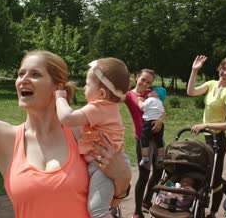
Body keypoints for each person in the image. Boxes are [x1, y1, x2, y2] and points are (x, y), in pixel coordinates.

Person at [0, 50, 131, 218]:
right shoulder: (2, 139)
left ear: (57, 88)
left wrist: (122, 179)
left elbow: (112, 194)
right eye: (21, 74)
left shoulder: (83, 133)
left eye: (35, 74)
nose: (23, 80)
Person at [55, 57, 130, 218]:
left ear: (101, 93)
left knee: (98, 211)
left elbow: (67, 118)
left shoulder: (99, 107)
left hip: (104, 167)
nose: (83, 88)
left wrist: (59, 98)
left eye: (87, 85)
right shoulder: (107, 108)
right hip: (106, 163)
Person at [187, 55, 226, 218]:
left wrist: (206, 125)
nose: (225, 73)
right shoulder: (211, 84)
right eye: (224, 69)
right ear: (219, 68)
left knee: (215, 179)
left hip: (218, 140)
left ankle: (214, 212)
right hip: (207, 138)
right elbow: (190, 92)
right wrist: (194, 71)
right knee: (209, 174)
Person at [124, 69, 165, 218]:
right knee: (144, 175)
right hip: (143, 141)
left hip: (157, 137)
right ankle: (137, 211)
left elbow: (162, 110)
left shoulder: (151, 93)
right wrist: (123, 83)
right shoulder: (129, 95)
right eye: (143, 80)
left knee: (159, 170)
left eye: (148, 82)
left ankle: (147, 201)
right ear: (136, 78)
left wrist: (160, 121)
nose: (145, 84)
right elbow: (116, 96)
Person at [137, 86, 167, 170]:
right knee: (159, 140)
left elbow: (142, 108)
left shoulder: (150, 100)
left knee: (144, 139)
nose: (149, 92)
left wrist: (139, 101)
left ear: (156, 94)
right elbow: (163, 113)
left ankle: (145, 157)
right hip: (159, 123)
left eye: (152, 91)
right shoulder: (160, 103)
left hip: (149, 123)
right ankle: (160, 157)